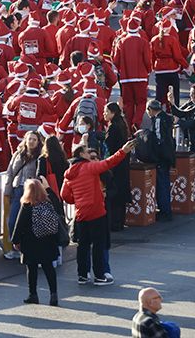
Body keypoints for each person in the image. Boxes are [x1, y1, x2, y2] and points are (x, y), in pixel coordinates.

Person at [61, 138, 135, 286]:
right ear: (81, 154)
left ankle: (82, 275)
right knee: (98, 245)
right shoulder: (89, 167)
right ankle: (100, 276)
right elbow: (109, 163)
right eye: (87, 151)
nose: (90, 154)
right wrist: (123, 151)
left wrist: (78, 199)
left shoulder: (68, 174)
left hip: (81, 213)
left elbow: (65, 196)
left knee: (83, 246)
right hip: (96, 210)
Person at [10, 178, 61, 306]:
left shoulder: (27, 206)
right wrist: (48, 188)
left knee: (31, 269)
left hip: (31, 242)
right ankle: (53, 295)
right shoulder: (49, 202)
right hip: (48, 241)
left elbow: (19, 225)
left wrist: (15, 240)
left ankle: (33, 294)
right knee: (49, 268)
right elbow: (59, 205)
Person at [5, 131, 43, 260]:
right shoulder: (18, 154)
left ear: (38, 142)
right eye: (29, 139)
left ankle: (27, 249)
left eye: (34, 139)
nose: (31, 141)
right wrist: (7, 189)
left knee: (28, 222)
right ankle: (15, 247)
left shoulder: (40, 157)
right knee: (13, 221)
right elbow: (10, 172)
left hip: (31, 192)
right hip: (17, 190)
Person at [138, 99, 175, 221]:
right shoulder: (167, 117)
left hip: (162, 156)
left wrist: (155, 154)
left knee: (162, 183)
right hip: (169, 154)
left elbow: (159, 139)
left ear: (150, 109)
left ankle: (165, 211)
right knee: (165, 182)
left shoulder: (158, 120)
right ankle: (166, 209)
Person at [103, 102, 131, 231]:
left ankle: (114, 223)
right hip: (123, 164)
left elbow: (108, 145)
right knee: (121, 194)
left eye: (106, 112)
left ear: (113, 113)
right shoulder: (122, 124)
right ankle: (120, 222)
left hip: (115, 164)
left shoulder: (113, 127)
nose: (104, 114)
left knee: (113, 193)